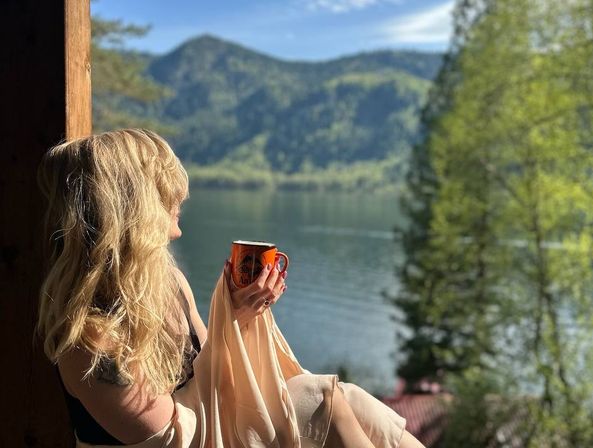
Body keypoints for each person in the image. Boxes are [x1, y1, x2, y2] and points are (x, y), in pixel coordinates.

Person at [36, 128, 425, 447]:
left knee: (350, 398)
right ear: (134, 206)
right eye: (164, 188)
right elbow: (176, 439)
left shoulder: (169, 283)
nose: (181, 197)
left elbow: (221, 381)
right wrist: (232, 323)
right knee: (319, 401)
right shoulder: (89, 340)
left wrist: (239, 316)